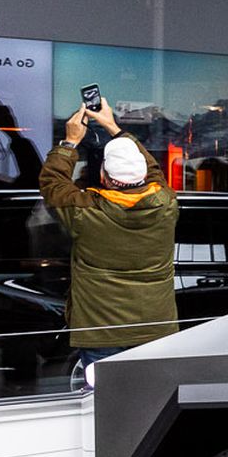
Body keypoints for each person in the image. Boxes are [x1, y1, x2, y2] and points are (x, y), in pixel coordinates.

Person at [38, 99, 179, 383]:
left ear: (104, 177)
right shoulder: (166, 204)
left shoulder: (85, 211)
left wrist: (70, 142)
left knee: (102, 407)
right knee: (151, 402)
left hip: (101, 331)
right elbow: (153, 172)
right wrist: (112, 126)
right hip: (156, 328)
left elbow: (52, 185)